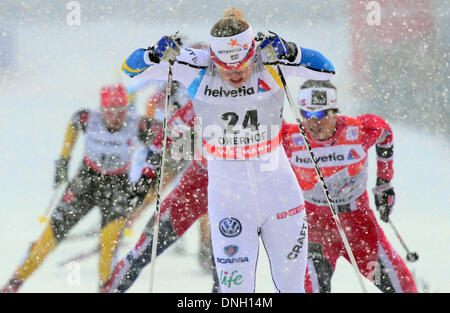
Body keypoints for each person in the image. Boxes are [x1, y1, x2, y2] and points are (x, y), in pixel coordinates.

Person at [120, 8, 335, 292]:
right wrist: (153, 53)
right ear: (214, 57)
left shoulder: (269, 57)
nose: (237, 74)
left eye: (244, 65)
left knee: (293, 287)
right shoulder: (195, 64)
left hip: (279, 193)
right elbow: (129, 69)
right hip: (229, 201)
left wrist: (292, 50)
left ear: (251, 53)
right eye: (226, 68)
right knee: (235, 292)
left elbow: (326, 67)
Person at [1, 84, 157, 293]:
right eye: (109, 111)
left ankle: (105, 288)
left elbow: (163, 136)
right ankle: (13, 284)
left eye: (120, 111)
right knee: (46, 242)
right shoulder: (87, 118)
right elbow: (73, 125)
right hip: (86, 182)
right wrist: (64, 159)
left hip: (118, 186)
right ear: (101, 109)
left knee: (108, 247)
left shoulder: (137, 124)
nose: (115, 117)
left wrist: (149, 172)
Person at [282, 79, 418, 293]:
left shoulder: (360, 131)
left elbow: (385, 133)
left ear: (334, 111)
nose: (313, 123)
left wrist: (384, 183)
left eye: (320, 115)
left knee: (404, 287)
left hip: (358, 225)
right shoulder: (290, 137)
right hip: (315, 228)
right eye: (306, 114)